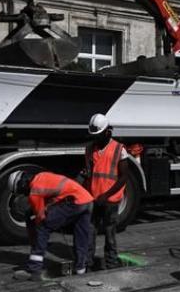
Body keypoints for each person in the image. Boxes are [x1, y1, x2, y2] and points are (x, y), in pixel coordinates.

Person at [8, 170, 94, 281]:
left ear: (22, 184)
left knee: (42, 228)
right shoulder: (42, 176)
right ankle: (81, 270)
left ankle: (34, 269)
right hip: (87, 200)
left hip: (73, 202)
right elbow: (55, 194)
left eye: (20, 191)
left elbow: (40, 217)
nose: (24, 194)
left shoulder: (34, 190)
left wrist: (35, 234)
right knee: (81, 236)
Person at [83, 113, 131, 270]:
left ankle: (111, 262)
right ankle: (87, 263)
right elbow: (89, 174)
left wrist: (106, 195)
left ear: (108, 132)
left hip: (110, 200)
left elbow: (123, 177)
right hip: (94, 198)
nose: (96, 139)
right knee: (90, 232)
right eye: (94, 136)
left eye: (99, 135)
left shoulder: (119, 149)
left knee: (110, 233)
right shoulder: (90, 148)